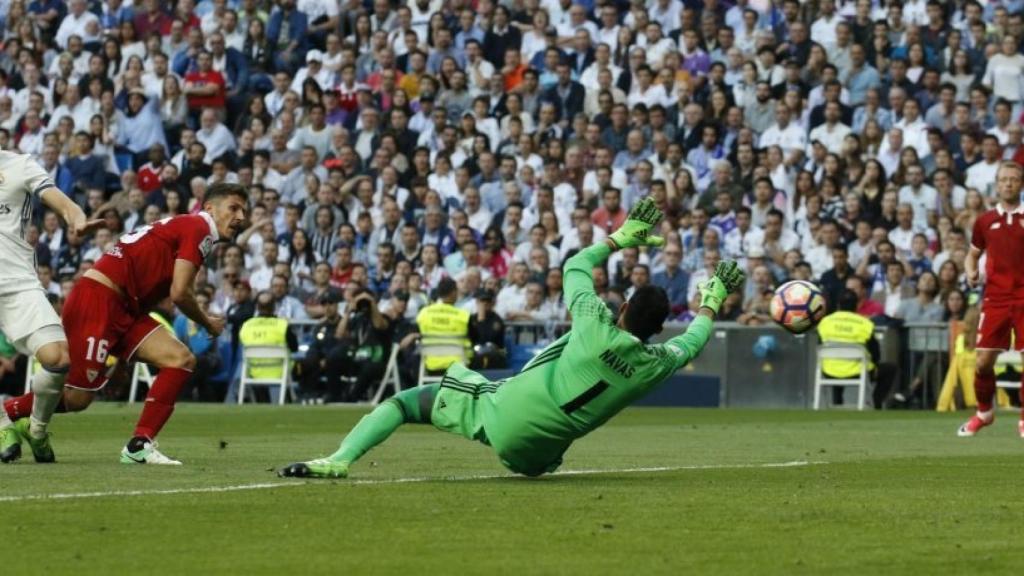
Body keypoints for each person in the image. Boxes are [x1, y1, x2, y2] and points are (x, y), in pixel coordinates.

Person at [278, 199, 745, 479]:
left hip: (503, 415)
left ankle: (339, 460)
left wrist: (622, 237)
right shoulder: (656, 362)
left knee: (403, 404)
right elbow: (696, 339)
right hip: (537, 457)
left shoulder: (593, 320)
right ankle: (540, 453)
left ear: (621, 307)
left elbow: (576, 266)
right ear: (658, 329)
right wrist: (712, 299)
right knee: (546, 441)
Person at [0, 183, 248, 465]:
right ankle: (7, 413)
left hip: (125, 307)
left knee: (180, 359)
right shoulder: (199, 228)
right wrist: (207, 322)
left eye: (243, 210)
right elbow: (180, 293)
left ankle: (139, 444)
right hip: (99, 301)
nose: (240, 216)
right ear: (209, 208)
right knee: (77, 398)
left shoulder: (187, 226)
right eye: (233, 207)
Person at [0, 149, 102, 464]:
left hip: (17, 282)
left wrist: (78, 218)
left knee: (58, 358)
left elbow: (62, 202)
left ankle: (38, 429)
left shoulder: (19, 165)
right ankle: (2, 424)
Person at [959, 161, 1024, 438]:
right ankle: (984, 413)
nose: (1008, 183)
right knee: (983, 362)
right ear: (996, 184)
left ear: (1021, 184)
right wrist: (971, 271)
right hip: (995, 299)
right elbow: (972, 254)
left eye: (1013, 179)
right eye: (1003, 179)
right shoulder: (985, 221)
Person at [816, 289, 897, 408]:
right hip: (858, 372)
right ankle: (876, 403)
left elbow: (820, 344)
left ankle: (837, 402)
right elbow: (875, 353)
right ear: (856, 305)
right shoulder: (865, 323)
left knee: (836, 363)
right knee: (891, 369)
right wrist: (873, 363)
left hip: (829, 371)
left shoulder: (825, 322)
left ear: (838, 305)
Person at [239, 290, 299, 401]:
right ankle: (302, 397)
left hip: (254, 371)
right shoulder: (282, 325)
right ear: (274, 307)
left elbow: (243, 343)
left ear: (257, 307)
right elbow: (295, 348)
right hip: (280, 370)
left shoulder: (246, 325)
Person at [414, 276, 471, 373]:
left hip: (432, 366)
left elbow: (418, 332)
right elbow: (474, 337)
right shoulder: (463, 315)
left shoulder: (424, 313)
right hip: (459, 367)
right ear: (454, 292)